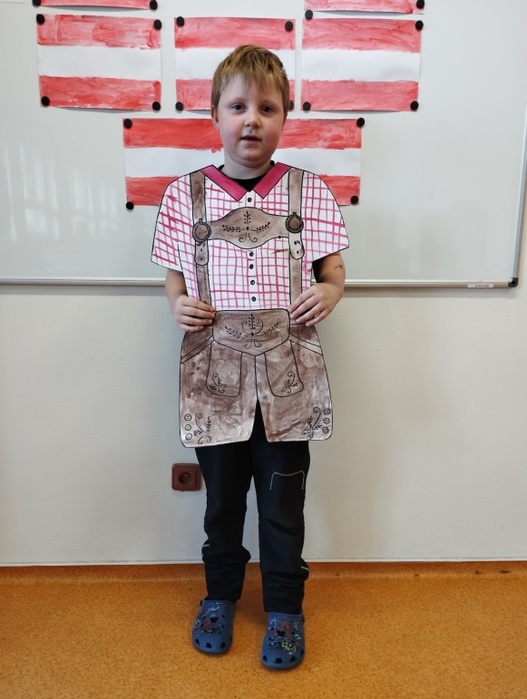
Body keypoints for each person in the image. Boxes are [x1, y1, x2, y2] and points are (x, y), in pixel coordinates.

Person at [151, 45, 349, 670]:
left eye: (267, 108)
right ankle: (219, 596)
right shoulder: (183, 196)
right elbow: (175, 276)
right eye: (237, 106)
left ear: (285, 115)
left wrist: (329, 292)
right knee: (222, 502)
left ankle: (285, 608)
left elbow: (333, 272)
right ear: (215, 114)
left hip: (290, 374)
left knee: (283, 502)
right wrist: (178, 303)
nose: (252, 120)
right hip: (213, 373)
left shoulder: (308, 192)